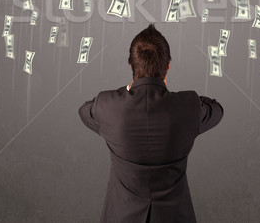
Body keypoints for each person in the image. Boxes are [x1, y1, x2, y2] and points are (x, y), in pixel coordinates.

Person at [78, 24, 224, 223]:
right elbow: (216, 109)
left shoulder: (108, 106)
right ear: (168, 67)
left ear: (131, 66)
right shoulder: (188, 107)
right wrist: (175, 97)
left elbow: (85, 110)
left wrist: (127, 91)